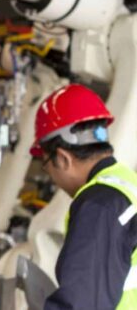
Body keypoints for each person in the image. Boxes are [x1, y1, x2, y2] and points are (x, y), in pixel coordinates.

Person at [30, 84, 137, 309]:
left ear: (62, 158)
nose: (52, 178)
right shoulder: (127, 185)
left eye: (47, 167)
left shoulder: (100, 205)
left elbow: (80, 303)